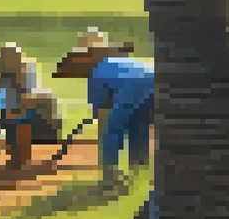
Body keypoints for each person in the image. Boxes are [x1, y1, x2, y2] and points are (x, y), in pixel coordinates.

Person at [53, 29, 154, 193]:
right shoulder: (122, 63)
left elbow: (103, 117)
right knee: (139, 128)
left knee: (111, 131)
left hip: (134, 87)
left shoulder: (97, 73)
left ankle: (110, 180)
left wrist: (105, 147)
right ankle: (140, 178)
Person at [0, 43, 64, 169]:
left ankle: (22, 157)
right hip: (13, 116)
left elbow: (28, 101)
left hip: (39, 122)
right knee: (11, 119)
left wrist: (9, 113)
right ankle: (16, 155)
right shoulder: (1, 79)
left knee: (21, 120)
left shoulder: (27, 77)